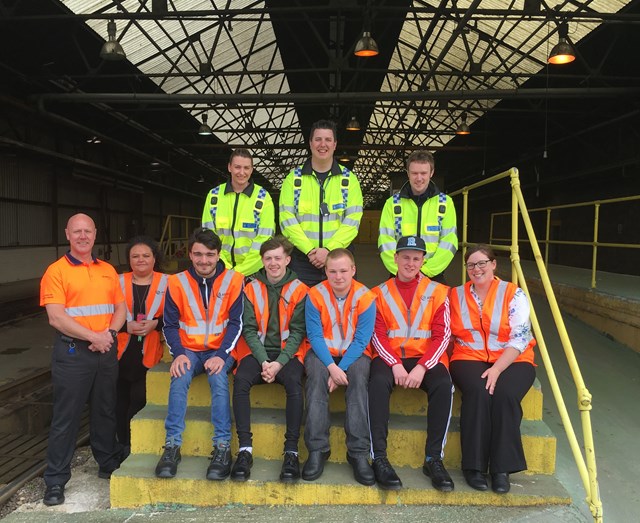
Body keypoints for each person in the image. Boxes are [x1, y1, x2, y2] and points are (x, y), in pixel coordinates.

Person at [39, 213, 126, 506]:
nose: (83, 236)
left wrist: (110, 334)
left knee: (105, 409)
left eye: (87, 231)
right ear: (67, 234)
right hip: (74, 353)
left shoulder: (107, 270)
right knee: (67, 417)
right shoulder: (56, 271)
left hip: (105, 349)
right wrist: (95, 337)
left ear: (95, 234)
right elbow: (56, 317)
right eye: (77, 231)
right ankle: (55, 480)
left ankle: (107, 461)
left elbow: (120, 307)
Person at [154, 228, 244, 481]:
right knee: (179, 377)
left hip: (221, 349)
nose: (204, 260)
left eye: (210, 255)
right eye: (198, 254)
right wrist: (179, 354)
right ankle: (172, 446)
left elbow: (236, 323)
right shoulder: (176, 282)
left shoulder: (234, 280)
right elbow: (170, 325)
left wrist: (222, 353)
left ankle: (223, 447)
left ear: (218, 255)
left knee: (218, 379)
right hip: (189, 350)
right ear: (190, 255)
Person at [369, 236, 455, 492]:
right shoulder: (378, 293)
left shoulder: (439, 291)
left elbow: (443, 335)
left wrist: (422, 366)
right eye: (405, 257)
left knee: (443, 384)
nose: (410, 262)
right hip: (390, 357)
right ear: (395, 258)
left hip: (425, 358)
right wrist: (395, 364)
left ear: (422, 261)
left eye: (416, 258)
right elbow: (377, 334)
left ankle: (433, 459)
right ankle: (380, 458)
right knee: (376, 383)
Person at [449, 244, 536, 494]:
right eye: (471, 265)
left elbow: (520, 337)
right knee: (477, 392)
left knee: (504, 395)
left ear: (494, 264)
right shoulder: (455, 295)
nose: (477, 269)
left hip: (513, 359)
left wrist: (497, 369)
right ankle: (473, 466)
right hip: (468, 356)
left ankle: (501, 469)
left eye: (482, 263)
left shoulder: (514, 294)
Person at [230, 235, 309, 482]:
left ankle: (291, 451)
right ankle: (244, 449)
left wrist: (279, 363)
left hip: (287, 355)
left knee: (295, 384)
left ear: (287, 259)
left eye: (278, 258)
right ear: (262, 261)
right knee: (241, 380)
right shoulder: (250, 288)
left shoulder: (301, 289)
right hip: (259, 353)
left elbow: (298, 332)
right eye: (268, 258)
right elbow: (249, 330)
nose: (273, 263)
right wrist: (265, 361)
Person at [302, 248, 376, 485]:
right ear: (325, 271)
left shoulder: (365, 296)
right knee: (315, 379)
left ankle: (358, 453)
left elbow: (362, 340)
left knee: (358, 381)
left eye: (344, 270)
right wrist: (331, 368)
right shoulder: (314, 295)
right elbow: (314, 336)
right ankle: (317, 449)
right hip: (322, 353)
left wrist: (341, 368)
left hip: (355, 355)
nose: (338, 277)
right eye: (332, 271)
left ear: (353, 270)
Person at [279, 120, 363, 286]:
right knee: (300, 308)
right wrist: (310, 251)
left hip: (339, 259)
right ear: (310, 143)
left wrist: (329, 251)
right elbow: (286, 219)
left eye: (327, 140)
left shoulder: (349, 180)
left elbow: (352, 220)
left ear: (335, 144)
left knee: (341, 309)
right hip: (302, 260)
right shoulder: (293, 179)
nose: (322, 144)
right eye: (318, 139)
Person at [115, 236, 168, 457]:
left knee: (139, 400)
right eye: (135, 256)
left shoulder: (169, 283)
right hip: (119, 354)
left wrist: (156, 323)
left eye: (146, 255)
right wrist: (125, 326)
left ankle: (135, 445)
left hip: (150, 355)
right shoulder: (116, 281)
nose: (141, 260)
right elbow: (105, 314)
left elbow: (181, 315)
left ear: (154, 259)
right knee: (119, 402)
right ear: (129, 260)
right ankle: (123, 446)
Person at [378, 150, 458, 283]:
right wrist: (402, 271)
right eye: (414, 173)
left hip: (433, 275)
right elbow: (385, 241)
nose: (419, 178)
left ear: (431, 173)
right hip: (399, 275)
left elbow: (449, 242)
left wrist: (425, 272)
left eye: (423, 173)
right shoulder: (392, 203)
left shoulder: (445, 203)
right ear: (408, 173)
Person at [201, 148, 275, 277]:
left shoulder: (263, 197)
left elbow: (264, 240)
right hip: (219, 270)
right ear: (229, 167)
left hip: (254, 273)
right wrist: (225, 268)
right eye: (237, 167)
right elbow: (208, 237)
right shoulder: (214, 196)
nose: (242, 172)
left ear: (252, 169)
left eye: (246, 168)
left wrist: (239, 272)